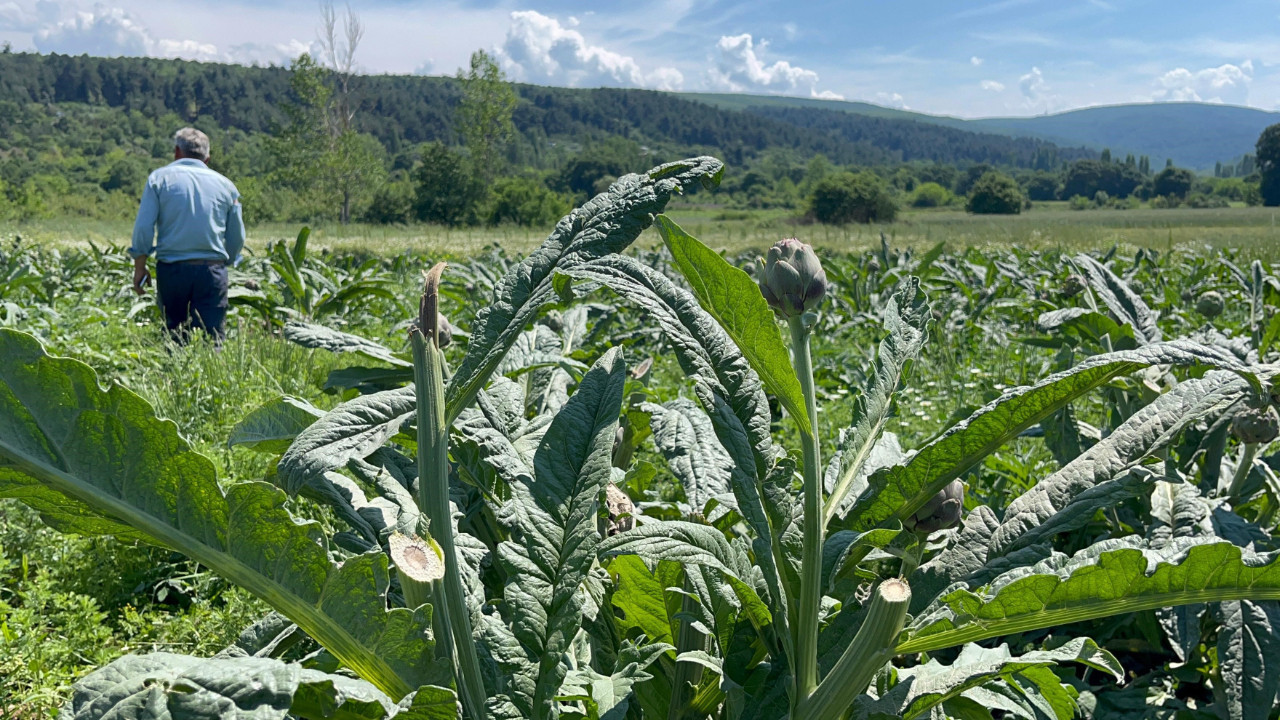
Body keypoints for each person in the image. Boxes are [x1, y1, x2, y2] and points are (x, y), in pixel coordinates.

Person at [130, 127, 245, 343]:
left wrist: (140, 266)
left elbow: (144, 227)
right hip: (211, 269)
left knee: (174, 337)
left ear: (176, 152)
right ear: (207, 159)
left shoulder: (158, 179)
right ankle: (213, 376)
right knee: (213, 340)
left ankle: (173, 376)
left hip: (172, 270)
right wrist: (224, 261)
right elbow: (237, 236)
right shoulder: (227, 186)